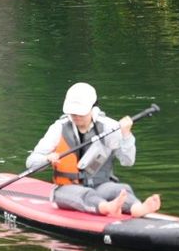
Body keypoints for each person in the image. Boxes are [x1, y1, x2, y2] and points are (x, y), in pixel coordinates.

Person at [26, 82, 162, 217]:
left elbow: (127, 161)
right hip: (67, 190)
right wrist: (46, 159)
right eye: (73, 112)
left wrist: (126, 135)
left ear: (93, 107)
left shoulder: (109, 127)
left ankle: (137, 208)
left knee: (120, 189)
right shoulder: (58, 128)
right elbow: (31, 162)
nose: (76, 116)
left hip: (101, 187)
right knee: (83, 194)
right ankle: (107, 207)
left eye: (81, 112)